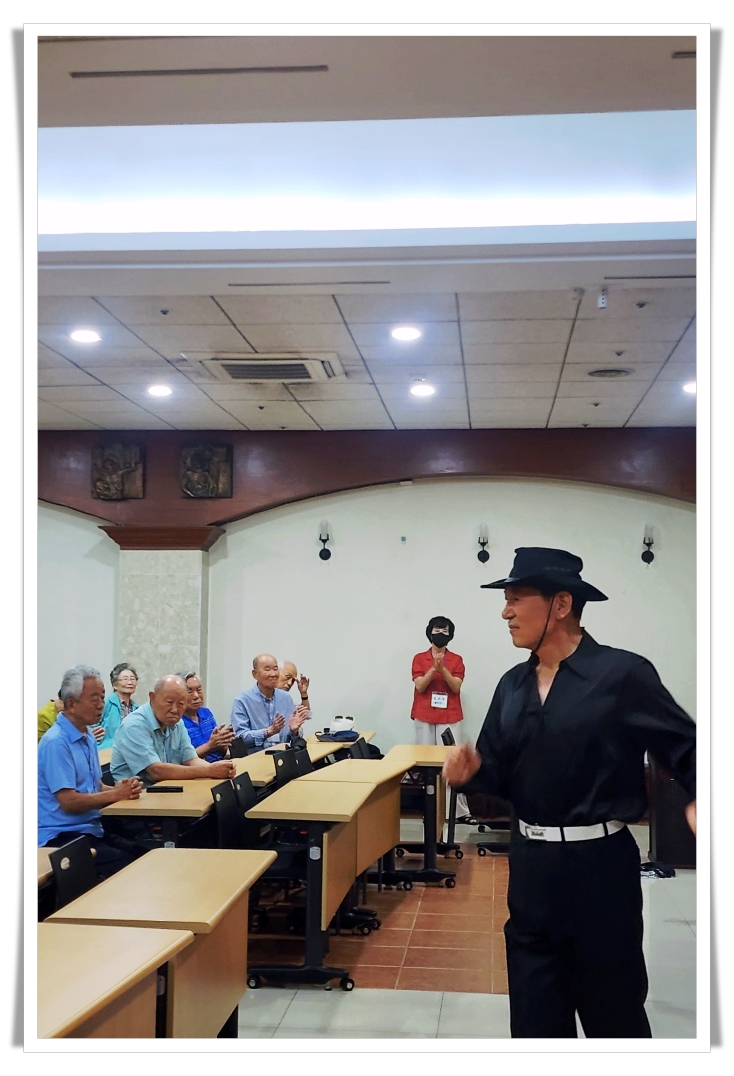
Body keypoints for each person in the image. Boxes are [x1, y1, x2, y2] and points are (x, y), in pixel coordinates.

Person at [443, 547, 697, 1039]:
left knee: (614, 1018)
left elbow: (685, 744)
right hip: (531, 869)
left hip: (601, 870)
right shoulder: (511, 686)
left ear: (561, 605)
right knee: (535, 1022)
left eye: (517, 598)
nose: (505, 612)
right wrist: (471, 775)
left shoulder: (622, 675)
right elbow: (498, 777)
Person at [38, 664, 145, 878]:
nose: (101, 705)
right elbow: (69, 801)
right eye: (94, 699)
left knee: (145, 854)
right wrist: (115, 795)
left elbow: (95, 786)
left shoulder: (87, 736)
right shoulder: (56, 742)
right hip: (60, 837)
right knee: (130, 868)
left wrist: (122, 789)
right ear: (71, 704)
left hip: (89, 830)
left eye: (102, 698)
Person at [111, 674, 236, 786]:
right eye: (169, 702)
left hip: (168, 790)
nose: (175, 710)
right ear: (152, 698)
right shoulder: (134, 725)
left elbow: (190, 759)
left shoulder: (177, 723)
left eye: (181, 704)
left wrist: (219, 769)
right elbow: (156, 771)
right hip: (137, 798)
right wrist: (209, 771)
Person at [411, 616, 472, 822]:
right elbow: (420, 686)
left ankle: (457, 812)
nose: (440, 634)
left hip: (449, 715)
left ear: (450, 635)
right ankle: (430, 810)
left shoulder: (456, 659)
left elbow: (455, 686)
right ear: (430, 633)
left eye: (445, 631)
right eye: (437, 630)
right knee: (427, 764)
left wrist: (443, 668)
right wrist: (433, 669)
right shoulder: (419, 658)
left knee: (451, 763)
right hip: (424, 714)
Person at [230, 654, 310, 753]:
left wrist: (294, 731)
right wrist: (268, 732)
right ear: (255, 674)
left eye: (275, 669)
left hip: (284, 756)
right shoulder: (242, 701)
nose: (273, 674)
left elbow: (304, 719)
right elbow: (240, 737)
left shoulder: (286, 698)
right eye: (267, 669)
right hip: (255, 758)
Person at [178, 670, 235, 762]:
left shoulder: (206, 713)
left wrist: (223, 741)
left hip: (221, 764)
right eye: (189, 691)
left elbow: (221, 752)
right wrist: (210, 746)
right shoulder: (176, 721)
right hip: (198, 769)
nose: (196, 696)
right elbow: (182, 760)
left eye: (199, 690)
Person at [97, 662, 139, 750]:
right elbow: (90, 726)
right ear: (115, 685)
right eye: (125, 679)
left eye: (133, 679)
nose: (130, 682)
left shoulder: (137, 709)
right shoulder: (105, 703)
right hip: (106, 752)